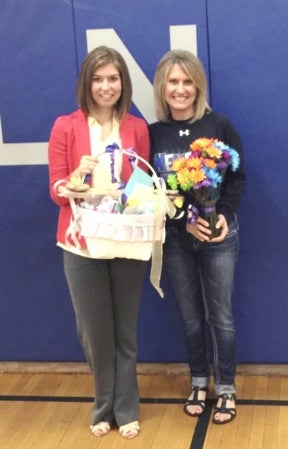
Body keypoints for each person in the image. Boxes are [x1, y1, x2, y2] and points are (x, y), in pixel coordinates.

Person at [48, 46, 150, 439]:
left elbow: (141, 187)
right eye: (97, 78)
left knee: (125, 331)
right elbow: (57, 192)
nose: (106, 86)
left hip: (126, 242)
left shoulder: (137, 128)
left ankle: (126, 410)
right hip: (81, 244)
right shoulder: (65, 127)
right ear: (86, 83)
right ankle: (102, 405)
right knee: (94, 332)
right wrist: (76, 178)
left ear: (123, 83)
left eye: (113, 78)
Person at [149, 50, 245, 424]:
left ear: (198, 86)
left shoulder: (220, 126)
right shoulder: (152, 134)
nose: (181, 89)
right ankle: (198, 381)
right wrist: (183, 221)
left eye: (188, 81)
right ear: (163, 86)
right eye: (173, 81)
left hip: (220, 237)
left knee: (221, 317)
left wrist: (223, 214)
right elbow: (153, 193)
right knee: (191, 318)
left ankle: (226, 389)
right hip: (176, 240)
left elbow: (238, 178)